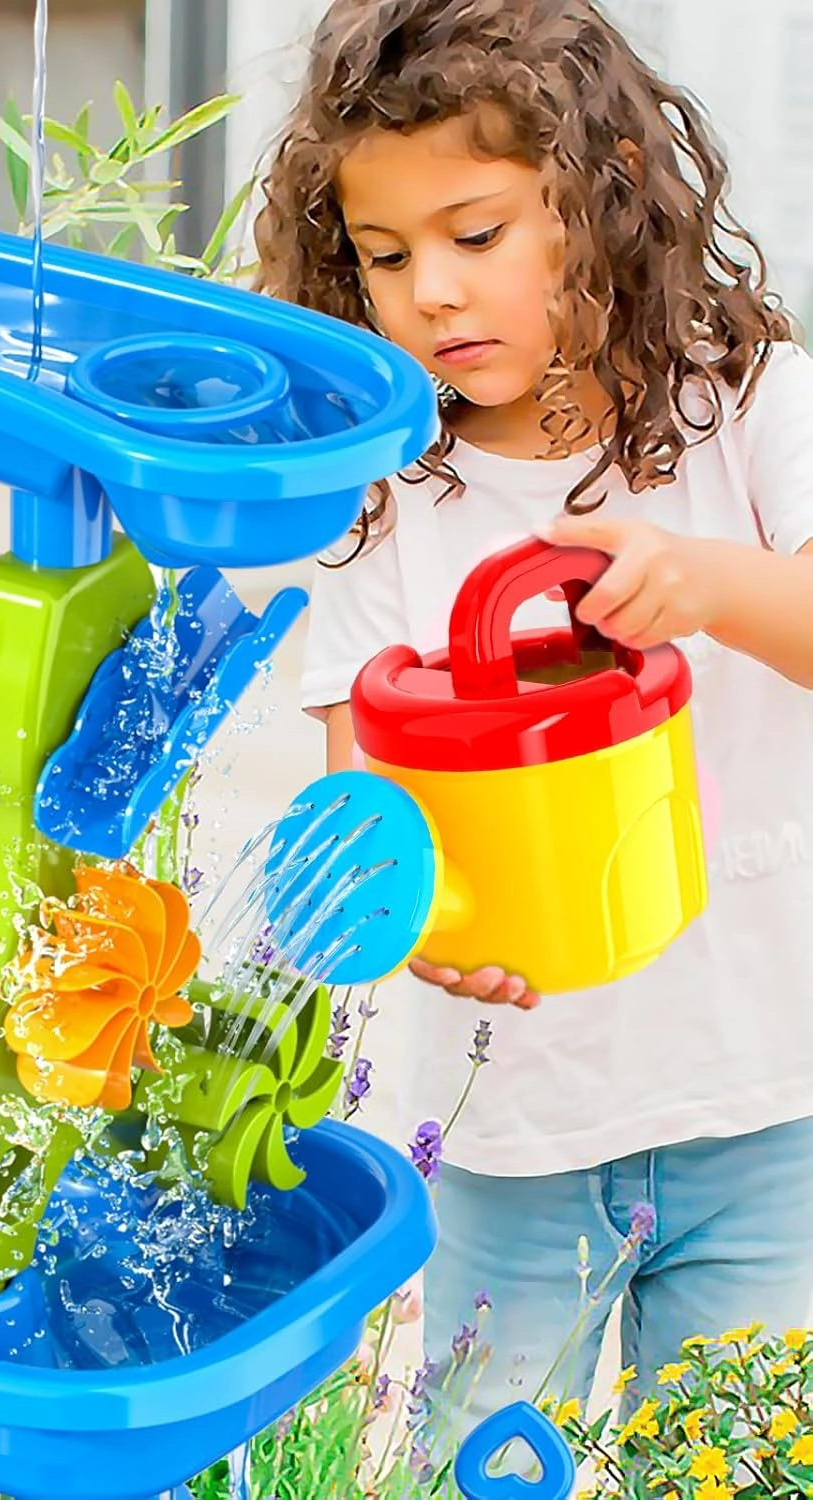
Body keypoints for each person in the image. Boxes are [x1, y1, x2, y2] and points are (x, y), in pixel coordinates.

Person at [253, 0, 813, 1464]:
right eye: (387, 257)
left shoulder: (747, 406)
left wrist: (710, 585)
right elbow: (365, 787)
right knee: (492, 1470)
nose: (433, 293)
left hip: (767, 1109)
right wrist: (415, 919)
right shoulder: (391, 496)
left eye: (478, 233)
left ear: (603, 190)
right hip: (512, 1136)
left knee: (743, 1464)